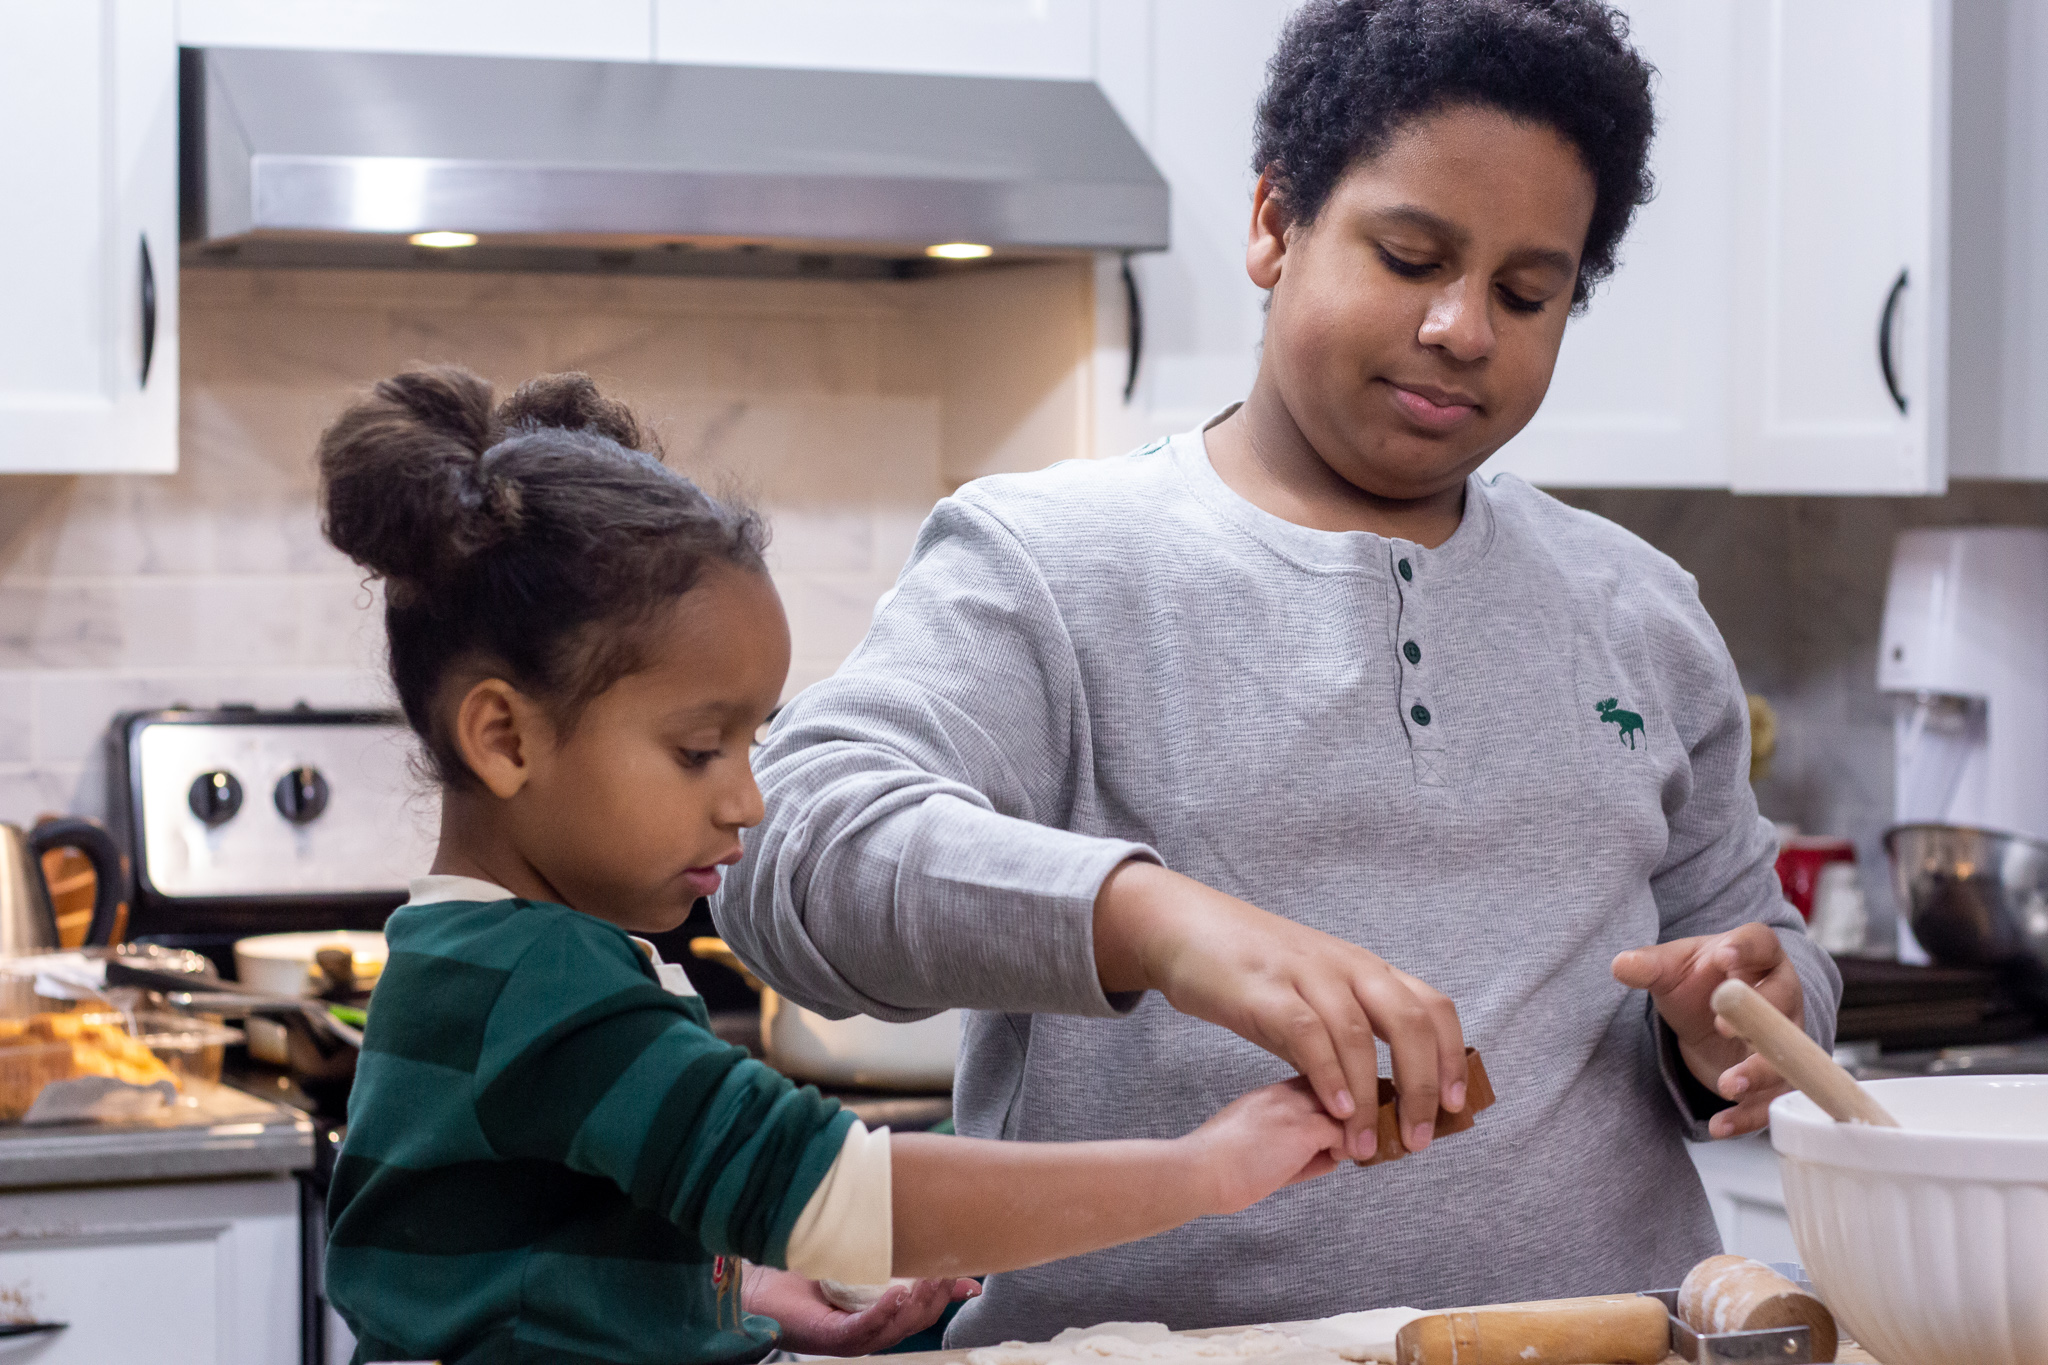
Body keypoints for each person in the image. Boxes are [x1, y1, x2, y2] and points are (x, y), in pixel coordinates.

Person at [715, 0, 1841, 1345]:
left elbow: (1764, 956)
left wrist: (1750, 1015)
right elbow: (789, 856)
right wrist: (1159, 923)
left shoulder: (1641, 608)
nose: (1462, 326)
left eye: (1527, 292)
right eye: (1410, 254)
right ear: (1274, 225)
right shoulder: (1051, 563)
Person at [316, 368, 1349, 1365]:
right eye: (695, 751)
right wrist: (1203, 1173)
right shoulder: (542, 987)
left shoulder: (466, 956)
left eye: (750, 743)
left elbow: (526, 1249)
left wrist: (735, 1292)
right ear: (504, 738)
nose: (746, 801)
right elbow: (845, 1200)